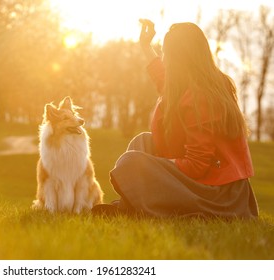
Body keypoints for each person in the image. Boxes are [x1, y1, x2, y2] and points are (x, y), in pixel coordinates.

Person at [92, 19, 259, 218]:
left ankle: (136, 208)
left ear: (179, 59)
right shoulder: (188, 83)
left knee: (132, 162)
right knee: (143, 142)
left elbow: (196, 166)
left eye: (166, 55)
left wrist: (160, 163)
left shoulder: (202, 97)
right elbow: (163, 78)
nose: (164, 59)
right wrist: (146, 47)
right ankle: (132, 206)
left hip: (219, 196)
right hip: (210, 183)